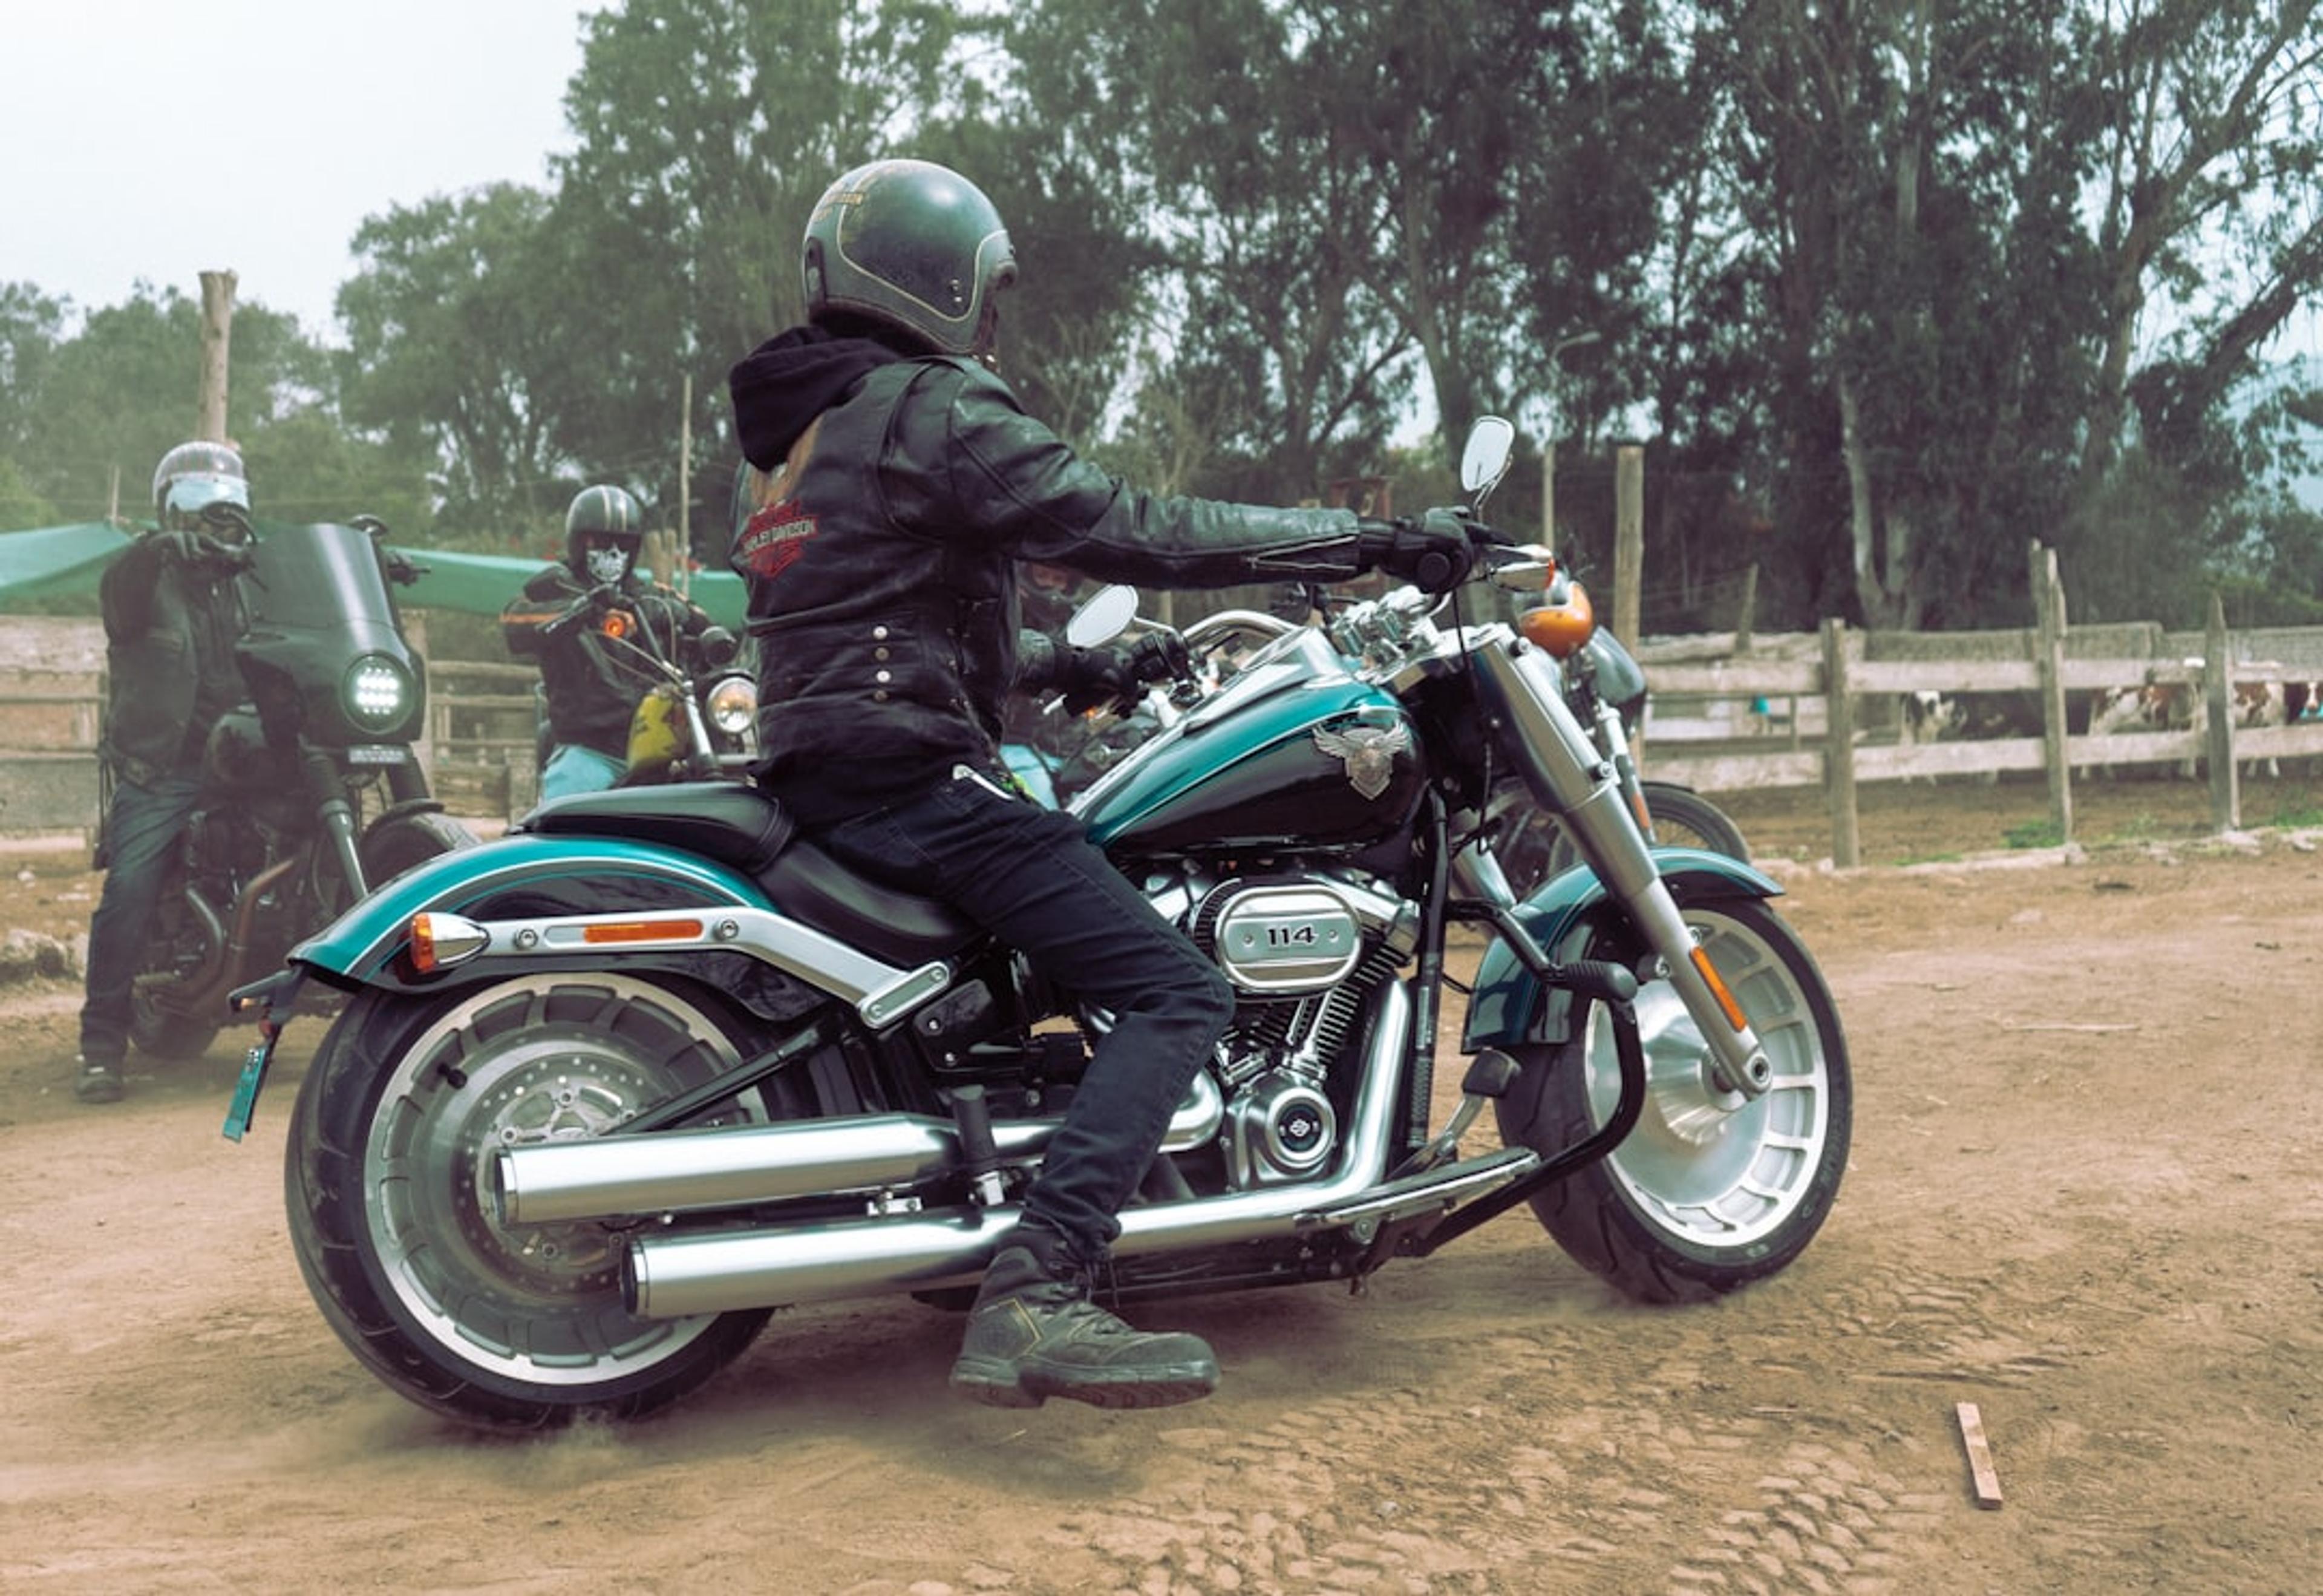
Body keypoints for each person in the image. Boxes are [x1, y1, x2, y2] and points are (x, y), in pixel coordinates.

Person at [726, 157, 1485, 1410]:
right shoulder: (931, 408)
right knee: (1179, 988)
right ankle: (1040, 1286)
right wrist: (1371, 542)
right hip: (914, 780)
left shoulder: (796, 441)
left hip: (836, 764)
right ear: (940, 280)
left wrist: (1072, 662)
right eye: (987, 291)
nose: (994, 318)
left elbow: (872, 620)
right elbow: (1128, 523)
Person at [74, 441, 256, 1104]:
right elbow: (119, 590)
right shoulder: (141, 578)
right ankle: (101, 1045)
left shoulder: (248, 581)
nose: (218, 522)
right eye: (203, 509)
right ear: (173, 512)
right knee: (129, 889)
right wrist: (158, 550)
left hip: (250, 759)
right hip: (165, 767)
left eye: (227, 508)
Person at [501, 485, 715, 799]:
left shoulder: (650, 594)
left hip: (660, 748)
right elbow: (515, 622)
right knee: (566, 814)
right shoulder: (556, 588)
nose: (613, 553)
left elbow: (704, 622)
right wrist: (584, 610)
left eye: (623, 544)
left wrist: (659, 612)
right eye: (599, 543)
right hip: (591, 750)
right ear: (578, 543)